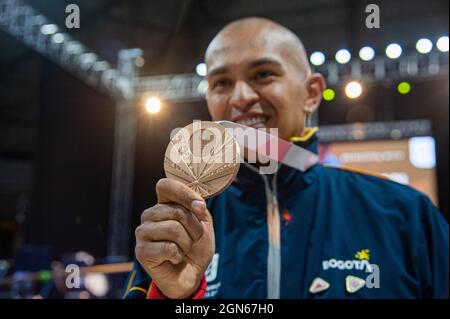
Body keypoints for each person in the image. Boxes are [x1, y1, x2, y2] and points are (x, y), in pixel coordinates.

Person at [123, 17, 449, 299]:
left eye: (263, 74)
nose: (241, 98)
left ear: (311, 94)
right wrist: (176, 295)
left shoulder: (405, 216)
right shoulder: (177, 228)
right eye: (221, 82)